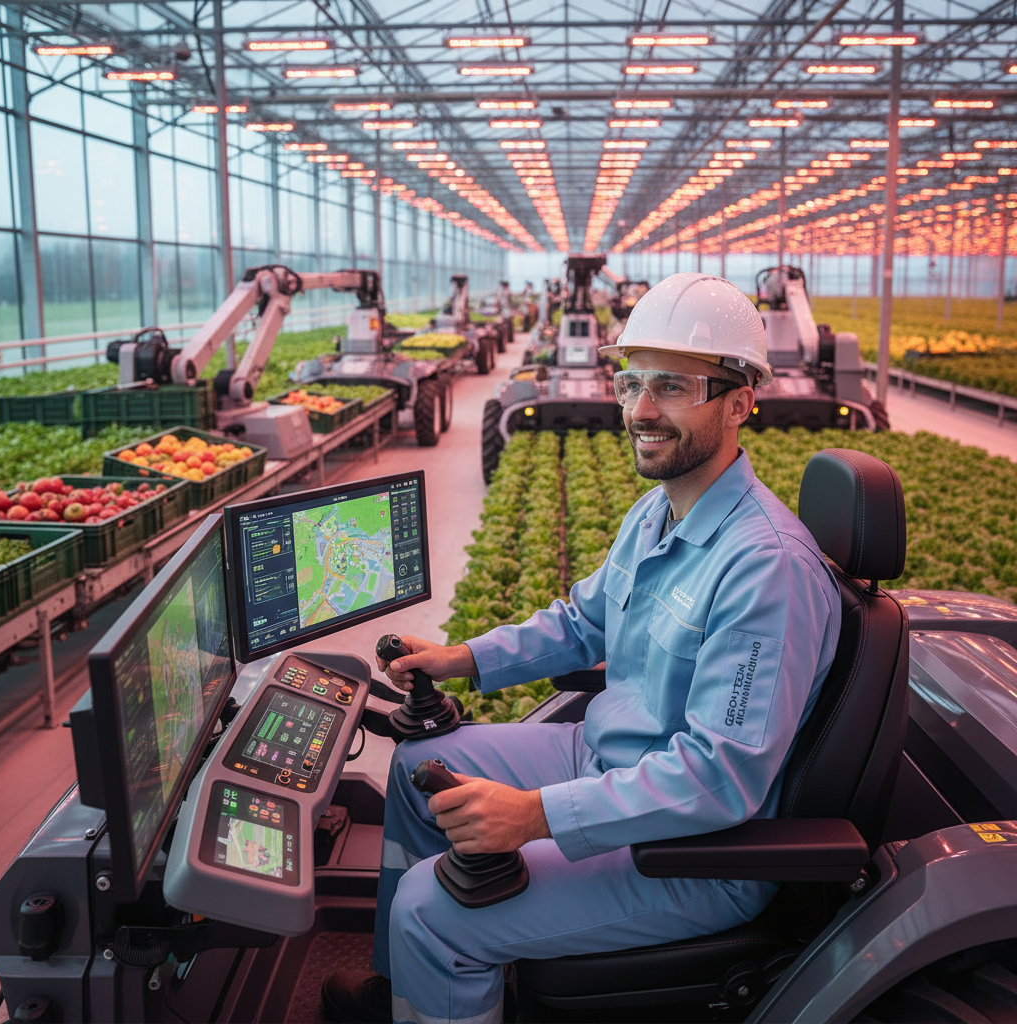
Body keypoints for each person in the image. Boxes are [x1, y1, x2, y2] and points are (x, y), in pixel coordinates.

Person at [321, 272, 843, 1024]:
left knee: (429, 908)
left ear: (739, 403)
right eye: (631, 382)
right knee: (411, 770)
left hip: (692, 849)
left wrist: (536, 816)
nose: (640, 410)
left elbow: (720, 777)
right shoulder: (657, 512)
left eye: (671, 387)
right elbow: (579, 622)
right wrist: (460, 657)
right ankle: (405, 988)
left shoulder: (767, 569)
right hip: (604, 759)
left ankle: (434, 959)